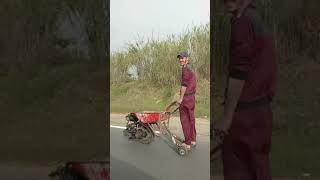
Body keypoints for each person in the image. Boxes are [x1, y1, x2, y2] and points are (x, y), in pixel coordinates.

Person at [214, 0, 277, 180]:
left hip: (244, 117)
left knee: (238, 171)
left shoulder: (243, 22)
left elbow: (239, 73)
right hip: (262, 114)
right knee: (259, 171)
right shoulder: (258, 20)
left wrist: (227, 118)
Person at [176, 51, 197, 150]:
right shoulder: (190, 67)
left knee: (185, 120)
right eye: (180, 58)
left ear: (187, 58)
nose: (181, 60)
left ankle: (187, 143)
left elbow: (184, 85)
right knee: (191, 119)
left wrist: (180, 98)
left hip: (186, 98)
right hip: (192, 97)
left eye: (182, 58)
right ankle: (193, 140)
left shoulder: (185, 70)